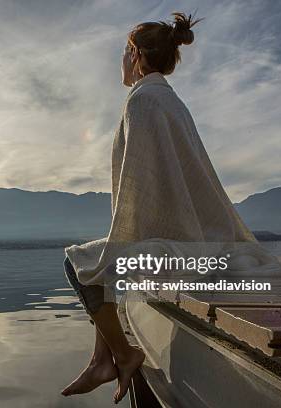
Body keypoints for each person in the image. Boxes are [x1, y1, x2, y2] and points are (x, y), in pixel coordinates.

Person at [61, 12, 209, 404]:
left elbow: (139, 187)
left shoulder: (142, 101)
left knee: (77, 261)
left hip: (172, 241)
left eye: (122, 53)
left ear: (135, 54)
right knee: (103, 262)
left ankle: (123, 354)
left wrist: (124, 240)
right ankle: (101, 359)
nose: (120, 62)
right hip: (192, 235)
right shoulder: (170, 100)